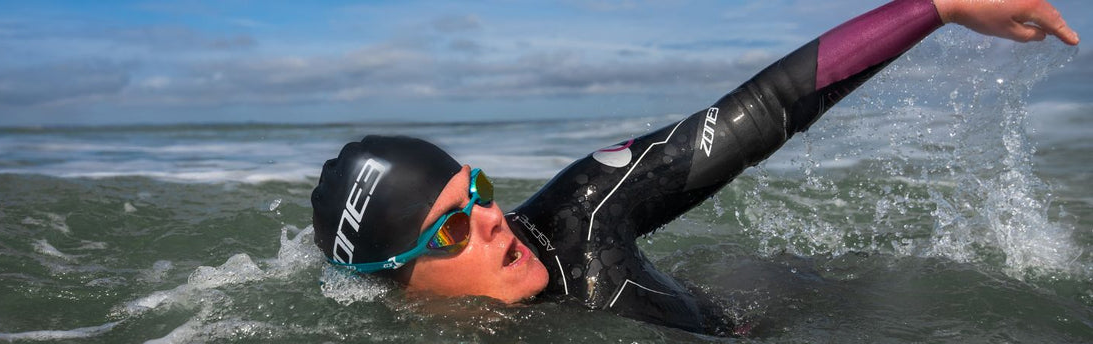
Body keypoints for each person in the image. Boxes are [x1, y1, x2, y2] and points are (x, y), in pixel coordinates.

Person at [310, 0, 1079, 337]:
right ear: (396, 283)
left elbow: (767, 105)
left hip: (786, 310)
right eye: (450, 228)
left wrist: (936, 6)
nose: (489, 217)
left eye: (473, 190)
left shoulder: (584, 213)